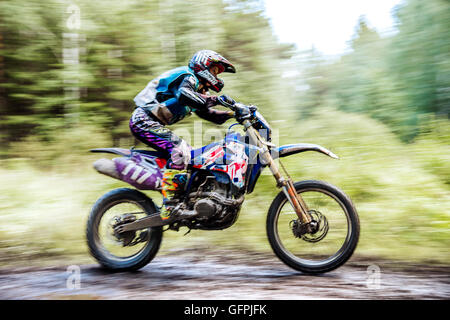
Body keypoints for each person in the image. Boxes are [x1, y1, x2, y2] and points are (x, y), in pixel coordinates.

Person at [129, 50, 237, 220]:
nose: (216, 75)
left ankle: (184, 200)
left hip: (150, 122)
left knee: (192, 156)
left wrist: (235, 113)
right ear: (204, 65)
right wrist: (217, 99)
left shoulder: (198, 89)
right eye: (215, 70)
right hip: (142, 119)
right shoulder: (190, 77)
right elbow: (184, 95)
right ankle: (170, 206)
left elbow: (210, 115)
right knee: (180, 150)